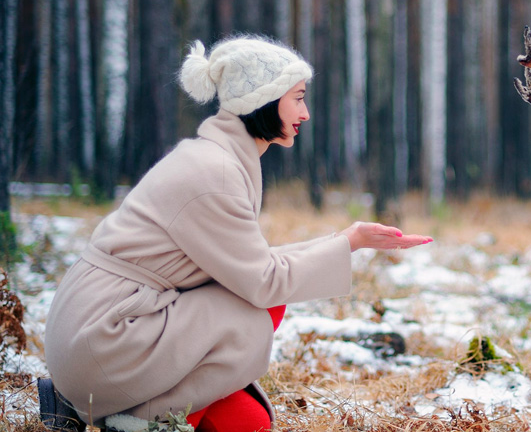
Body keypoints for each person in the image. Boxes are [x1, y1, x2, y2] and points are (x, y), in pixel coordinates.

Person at [39, 35, 432, 432]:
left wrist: (354, 238)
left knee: (249, 423)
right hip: (104, 337)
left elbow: (255, 265)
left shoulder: (219, 159)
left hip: (108, 327)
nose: (306, 112)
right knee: (256, 314)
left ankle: (127, 411)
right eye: (298, 97)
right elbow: (264, 281)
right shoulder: (216, 173)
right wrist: (349, 242)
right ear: (263, 99)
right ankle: (137, 424)